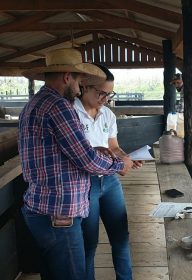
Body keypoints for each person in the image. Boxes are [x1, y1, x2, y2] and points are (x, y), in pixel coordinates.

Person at [19, 48, 133, 280]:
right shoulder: (59, 107)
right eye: (79, 80)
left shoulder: (34, 104)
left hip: (40, 207)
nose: (79, 86)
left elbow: (61, 152)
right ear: (67, 76)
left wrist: (98, 152)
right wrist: (118, 166)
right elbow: (86, 159)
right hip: (59, 212)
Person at [75, 64, 143, 280]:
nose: (105, 98)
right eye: (101, 93)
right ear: (85, 86)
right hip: (86, 182)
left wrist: (126, 158)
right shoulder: (70, 113)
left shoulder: (107, 115)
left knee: (121, 237)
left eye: (109, 93)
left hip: (110, 180)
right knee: (89, 242)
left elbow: (113, 146)